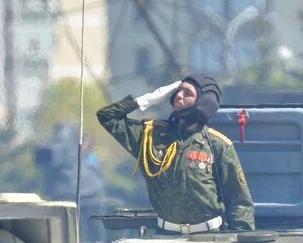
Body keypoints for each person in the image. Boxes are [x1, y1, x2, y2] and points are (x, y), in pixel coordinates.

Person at [98, 74, 254, 233]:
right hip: (166, 235)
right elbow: (107, 117)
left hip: (208, 237)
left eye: (187, 93)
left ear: (203, 102)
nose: (179, 96)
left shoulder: (217, 145)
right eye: (178, 91)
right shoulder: (150, 135)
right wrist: (147, 100)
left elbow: (239, 201)